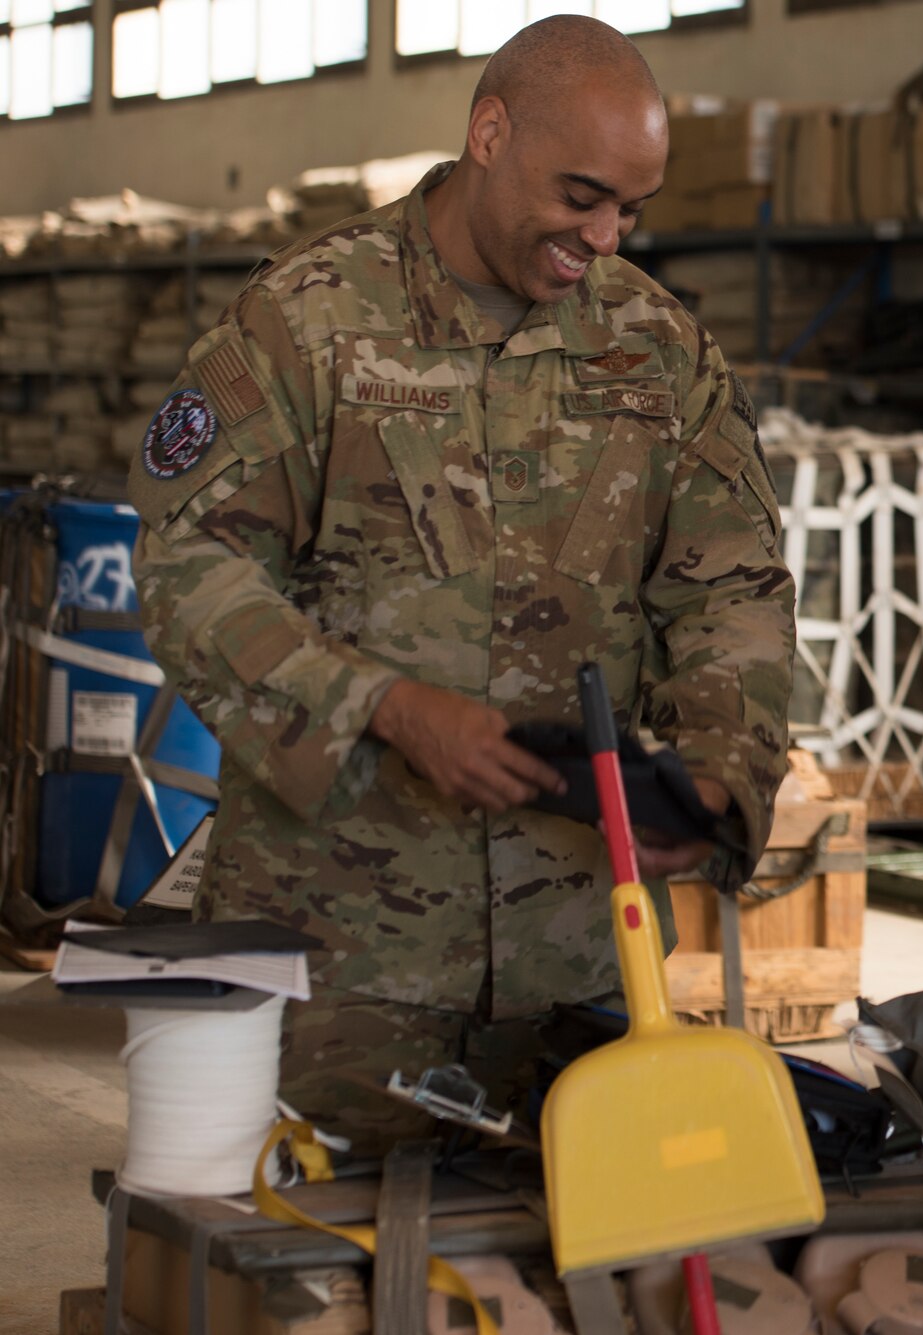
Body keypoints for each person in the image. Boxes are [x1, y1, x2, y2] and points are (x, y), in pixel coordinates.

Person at [128, 16, 795, 1151]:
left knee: (566, 1282)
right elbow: (190, 563)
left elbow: (731, 590)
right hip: (340, 947)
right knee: (322, 1279)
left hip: (581, 946)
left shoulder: (655, 350)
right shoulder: (308, 318)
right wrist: (386, 709)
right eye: (580, 195)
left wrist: (722, 769)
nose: (603, 235)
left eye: (629, 210)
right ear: (489, 133)